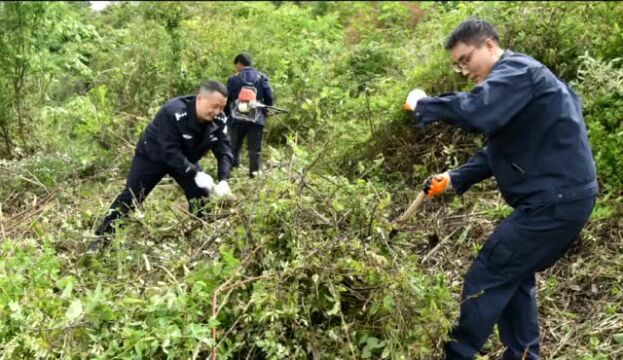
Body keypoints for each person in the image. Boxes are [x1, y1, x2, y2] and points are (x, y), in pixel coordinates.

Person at [404, 19, 598, 359]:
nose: (463, 70)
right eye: (457, 65)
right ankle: (524, 355)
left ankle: (456, 354)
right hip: (558, 200)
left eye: (466, 59)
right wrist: (455, 177)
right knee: (514, 275)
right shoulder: (519, 80)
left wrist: (425, 104)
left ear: (490, 45)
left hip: (553, 203)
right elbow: (502, 148)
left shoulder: (518, 72)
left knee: (490, 273)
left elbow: (477, 111)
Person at [89, 80, 235, 252]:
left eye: (222, 107)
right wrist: (195, 173)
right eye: (215, 106)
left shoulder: (219, 119)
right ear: (200, 99)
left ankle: (200, 241)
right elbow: (169, 151)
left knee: (201, 196)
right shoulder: (173, 112)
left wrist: (224, 179)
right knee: (131, 197)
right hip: (153, 156)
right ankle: (101, 239)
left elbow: (224, 150)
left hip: (185, 157)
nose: (218, 112)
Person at [225, 52, 274, 178]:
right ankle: (254, 174)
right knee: (255, 150)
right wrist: (267, 110)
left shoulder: (233, 79)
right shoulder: (262, 78)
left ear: (239, 64)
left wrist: (226, 115)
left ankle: (230, 172)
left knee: (234, 147)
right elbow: (269, 97)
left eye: (236, 65)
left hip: (237, 119)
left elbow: (227, 99)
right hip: (256, 120)